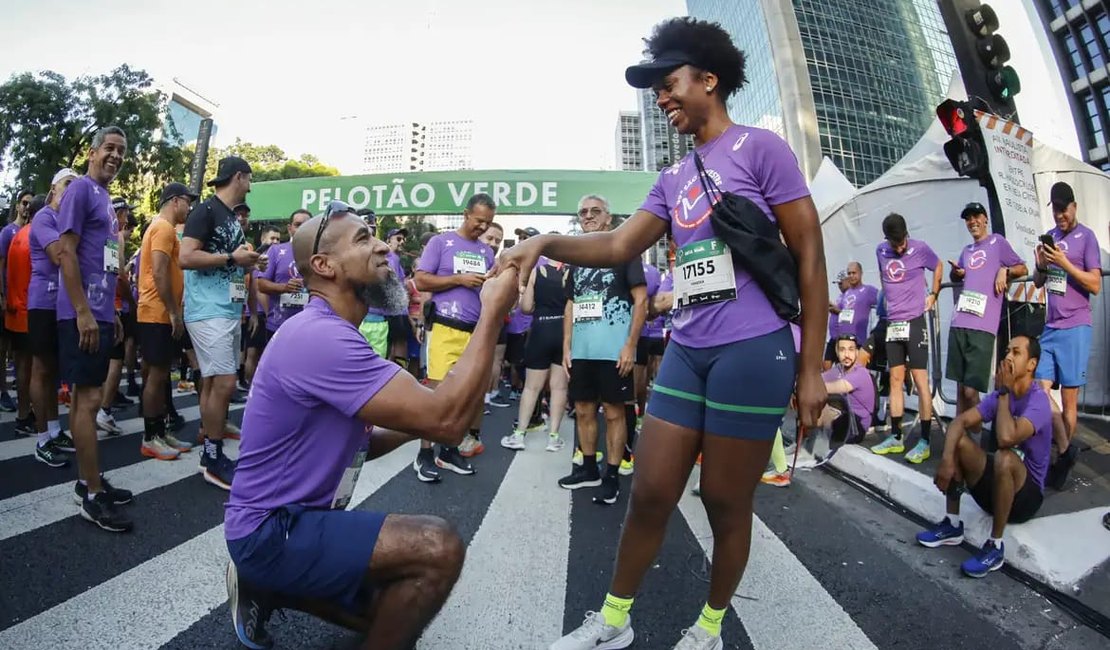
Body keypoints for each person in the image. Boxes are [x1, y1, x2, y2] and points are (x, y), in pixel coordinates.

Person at [498, 18, 827, 649]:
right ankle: (613, 621)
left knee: (724, 502)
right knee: (649, 491)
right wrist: (543, 240)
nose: (662, 96)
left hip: (754, 349)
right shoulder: (674, 177)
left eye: (669, 83)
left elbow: (809, 254)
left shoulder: (762, 149)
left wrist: (810, 368)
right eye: (656, 89)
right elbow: (620, 243)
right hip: (688, 348)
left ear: (709, 80)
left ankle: (708, 627)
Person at [224, 204, 520, 650]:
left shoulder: (334, 331)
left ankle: (269, 586)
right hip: (271, 532)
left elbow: (369, 440)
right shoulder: (322, 338)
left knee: (393, 610)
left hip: (288, 526)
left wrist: (423, 404)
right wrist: (492, 313)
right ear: (324, 266)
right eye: (363, 239)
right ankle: (266, 574)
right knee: (437, 548)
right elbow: (448, 423)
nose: (383, 245)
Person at [916, 336, 1052, 578]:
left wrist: (1003, 394)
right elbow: (960, 421)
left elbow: (1006, 439)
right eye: (1007, 350)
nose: (1008, 357)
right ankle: (952, 523)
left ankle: (995, 546)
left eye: (1016, 352)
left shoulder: (1038, 400)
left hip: (1025, 498)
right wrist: (947, 460)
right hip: (997, 490)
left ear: (1031, 364)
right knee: (958, 441)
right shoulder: (1002, 394)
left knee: (1004, 456)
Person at [56, 126, 133, 532]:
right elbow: (66, 250)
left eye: (122, 151)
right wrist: (83, 311)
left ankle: (90, 480)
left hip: (101, 312)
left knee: (85, 401)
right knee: (87, 402)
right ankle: (91, 494)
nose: (116, 156)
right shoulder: (81, 190)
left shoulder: (104, 199)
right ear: (92, 151)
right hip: (80, 313)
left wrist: (112, 313)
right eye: (110, 148)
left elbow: (101, 261)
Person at [179, 155, 263, 490]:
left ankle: (211, 449)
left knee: (215, 384)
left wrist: (247, 261)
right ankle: (212, 456)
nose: (251, 186)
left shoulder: (229, 217)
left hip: (227, 310)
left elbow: (231, 264)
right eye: (249, 179)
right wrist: (232, 257)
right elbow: (186, 257)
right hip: (207, 310)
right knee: (225, 383)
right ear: (239, 177)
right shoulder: (206, 210)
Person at [558, 194, 647, 505]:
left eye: (596, 211)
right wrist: (566, 346)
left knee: (613, 413)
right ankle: (589, 468)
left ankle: (611, 475)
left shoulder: (624, 250)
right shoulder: (576, 257)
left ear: (608, 218)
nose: (588, 216)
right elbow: (570, 304)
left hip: (614, 351)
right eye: (583, 212)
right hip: (581, 352)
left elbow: (641, 300)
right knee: (582, 410)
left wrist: (630, 346)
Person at [411, 194, 496, 480]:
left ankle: (449, 451)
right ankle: (424, 455)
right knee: (436, 394)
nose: (482, 227)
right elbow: (421, 279)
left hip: (474, 332)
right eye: (478, 220)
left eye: (488, 223)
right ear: (465, 214)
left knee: (465, 396)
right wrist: (458, 279)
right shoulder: (441, 242)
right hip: (445, 326)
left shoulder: (486, 253)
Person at [1033, 181, 1100, 489]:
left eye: (1064, 209)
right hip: (1051, 326)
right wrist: (1041, 266)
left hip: (1075, 326)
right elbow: (1037, 283)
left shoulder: (1087, 237)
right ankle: (1064, 449)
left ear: (1074, 207)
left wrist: (1065, 264)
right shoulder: (1053, 238)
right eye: (1056, 209)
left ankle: (1060, 463)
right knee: (1039, 387)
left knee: (1069, 400)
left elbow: (1095, 284)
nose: (1060, 215)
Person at [946, 202, 1027, 422]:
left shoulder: (997, 242)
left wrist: (1005, 270)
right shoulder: (966, 251)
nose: (972, 221)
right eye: (968, 218)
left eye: (976, 216)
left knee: (972, 392)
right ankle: (959, 444)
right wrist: (957, 273)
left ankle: (978, 441)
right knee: (961, 390)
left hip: (982, 327)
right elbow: (958, 278)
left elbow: (1023, 268)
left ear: (985, 219)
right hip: (959, 322)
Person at [870, 213, 942, 463]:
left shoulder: (920, 248)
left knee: (921, 381)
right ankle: (896, 436)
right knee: (895, 380)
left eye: (902, 242)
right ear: (887, 239)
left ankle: (924, 441)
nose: (900, 247)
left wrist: (933, 293)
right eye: (895, 243)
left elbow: (938, 265)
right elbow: (883, 276)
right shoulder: (881, 251)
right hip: (894, 324)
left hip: (914, 322)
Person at [137, 182, 198, 460]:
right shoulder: (163, 228)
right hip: (156, 313)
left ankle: (160, 432)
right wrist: (174, 312)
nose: (190, 207)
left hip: (157, 312)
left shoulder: (162, 228)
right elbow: (160, 272)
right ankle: (151, 437)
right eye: (188, 201)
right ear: (175, 201)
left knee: (158, 377)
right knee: (157, 376)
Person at [28, 169, 79, 467]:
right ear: (53, 189)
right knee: (41, 370)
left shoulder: (70, 220)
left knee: (55, 372)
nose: (71, 190)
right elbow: (61, 256)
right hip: (43, 304)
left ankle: (55, 430)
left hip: (63, 304)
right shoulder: (45, 217)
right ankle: (41, 439)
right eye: (66, 185)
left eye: (75, 186)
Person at [501, 254, 569, 452]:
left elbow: (527, 307)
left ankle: (519, 435)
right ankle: (554, 438)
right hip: (564, 331)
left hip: (541, 329)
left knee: (531, 387)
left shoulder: (537, 272)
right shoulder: (570, 272)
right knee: (559, 388)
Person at [7, 194, 40, 438]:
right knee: (32, 369)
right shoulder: (35, 237)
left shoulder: (17, 235)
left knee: (22, 366)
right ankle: (26, 416)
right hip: (29, 310)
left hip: (15, 309)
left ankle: (23, 414)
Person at [257, 209, 311, 343]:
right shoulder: (275, 251)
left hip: (310, 326)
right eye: (298, 224)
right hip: (278, 324)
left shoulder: (321, 254)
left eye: (307, 224)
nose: (302, 228)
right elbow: (261, 284)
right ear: (289, 228)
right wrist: (284, 287)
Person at [0, 190, 32, 413]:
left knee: (21, 354)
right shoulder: (7, 232)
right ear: (17, 205)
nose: (27, 207)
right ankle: (3, 392)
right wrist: (1, 296)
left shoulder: (32, 231)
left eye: (30, 204)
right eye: (24, 203)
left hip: (26, 304)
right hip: (8, 302)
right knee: (3, 350)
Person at [820, 334, 875, 450]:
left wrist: (809, 387)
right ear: (837, 352)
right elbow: (820, 378)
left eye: (851, 350)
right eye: (842, 350)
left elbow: (839, 387)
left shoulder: (861, 373)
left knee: (823, 399)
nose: (846, 355)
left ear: (857, 352)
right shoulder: (839, 369)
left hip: (856, 426)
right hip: (843, 417)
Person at [832, 261, 879, 351]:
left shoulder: (868, 290)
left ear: (861, 273)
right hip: (843, 340)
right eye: (849, 273)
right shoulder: (846, 293)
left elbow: (883, 302)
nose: (851, 276)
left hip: (859, 340)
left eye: (854, 273)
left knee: (858, 365)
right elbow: (842, 312)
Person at [825, 270, 849, 370]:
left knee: (844, 367)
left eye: (841, 283)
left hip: (843, 337)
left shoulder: (850, 296)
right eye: (838, 284)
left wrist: (837, 311)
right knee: (826, 364)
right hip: (833, 337)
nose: (839, 286)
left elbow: (850, 316)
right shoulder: (840, 296)